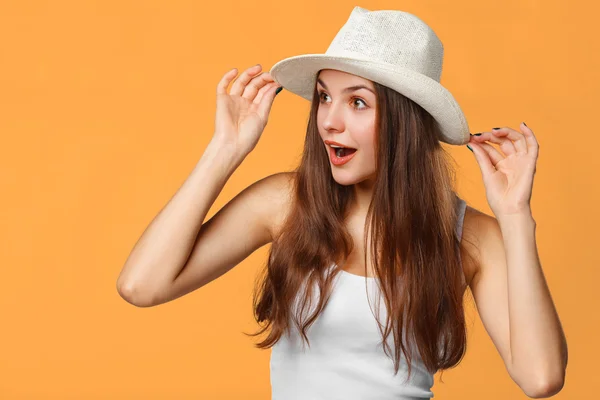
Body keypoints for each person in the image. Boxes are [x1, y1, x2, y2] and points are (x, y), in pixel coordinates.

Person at [116, 6, 568, 399]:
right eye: (324, 97)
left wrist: (515, 218)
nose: (329, 121)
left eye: (357, 103)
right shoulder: (286, 203)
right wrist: (225, 150)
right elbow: (141, 286)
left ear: (405, 122)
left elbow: (541, 377)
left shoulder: (471, 237)